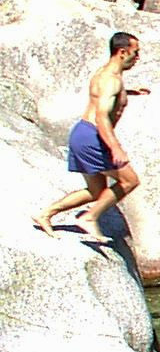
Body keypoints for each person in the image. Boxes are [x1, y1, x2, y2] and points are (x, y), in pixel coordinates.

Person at [33, 32, 148, 242]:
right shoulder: (111, 81)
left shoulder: (104, 74)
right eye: (135, 52)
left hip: (82, 133)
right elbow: (102, 117)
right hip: (94, 137)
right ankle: (89, 217)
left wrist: (128, 92)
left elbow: (104, 95)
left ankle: (45, 214)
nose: (138, 57)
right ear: (122, 52)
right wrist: (115, 148)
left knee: (96, 191)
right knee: (130, 181)